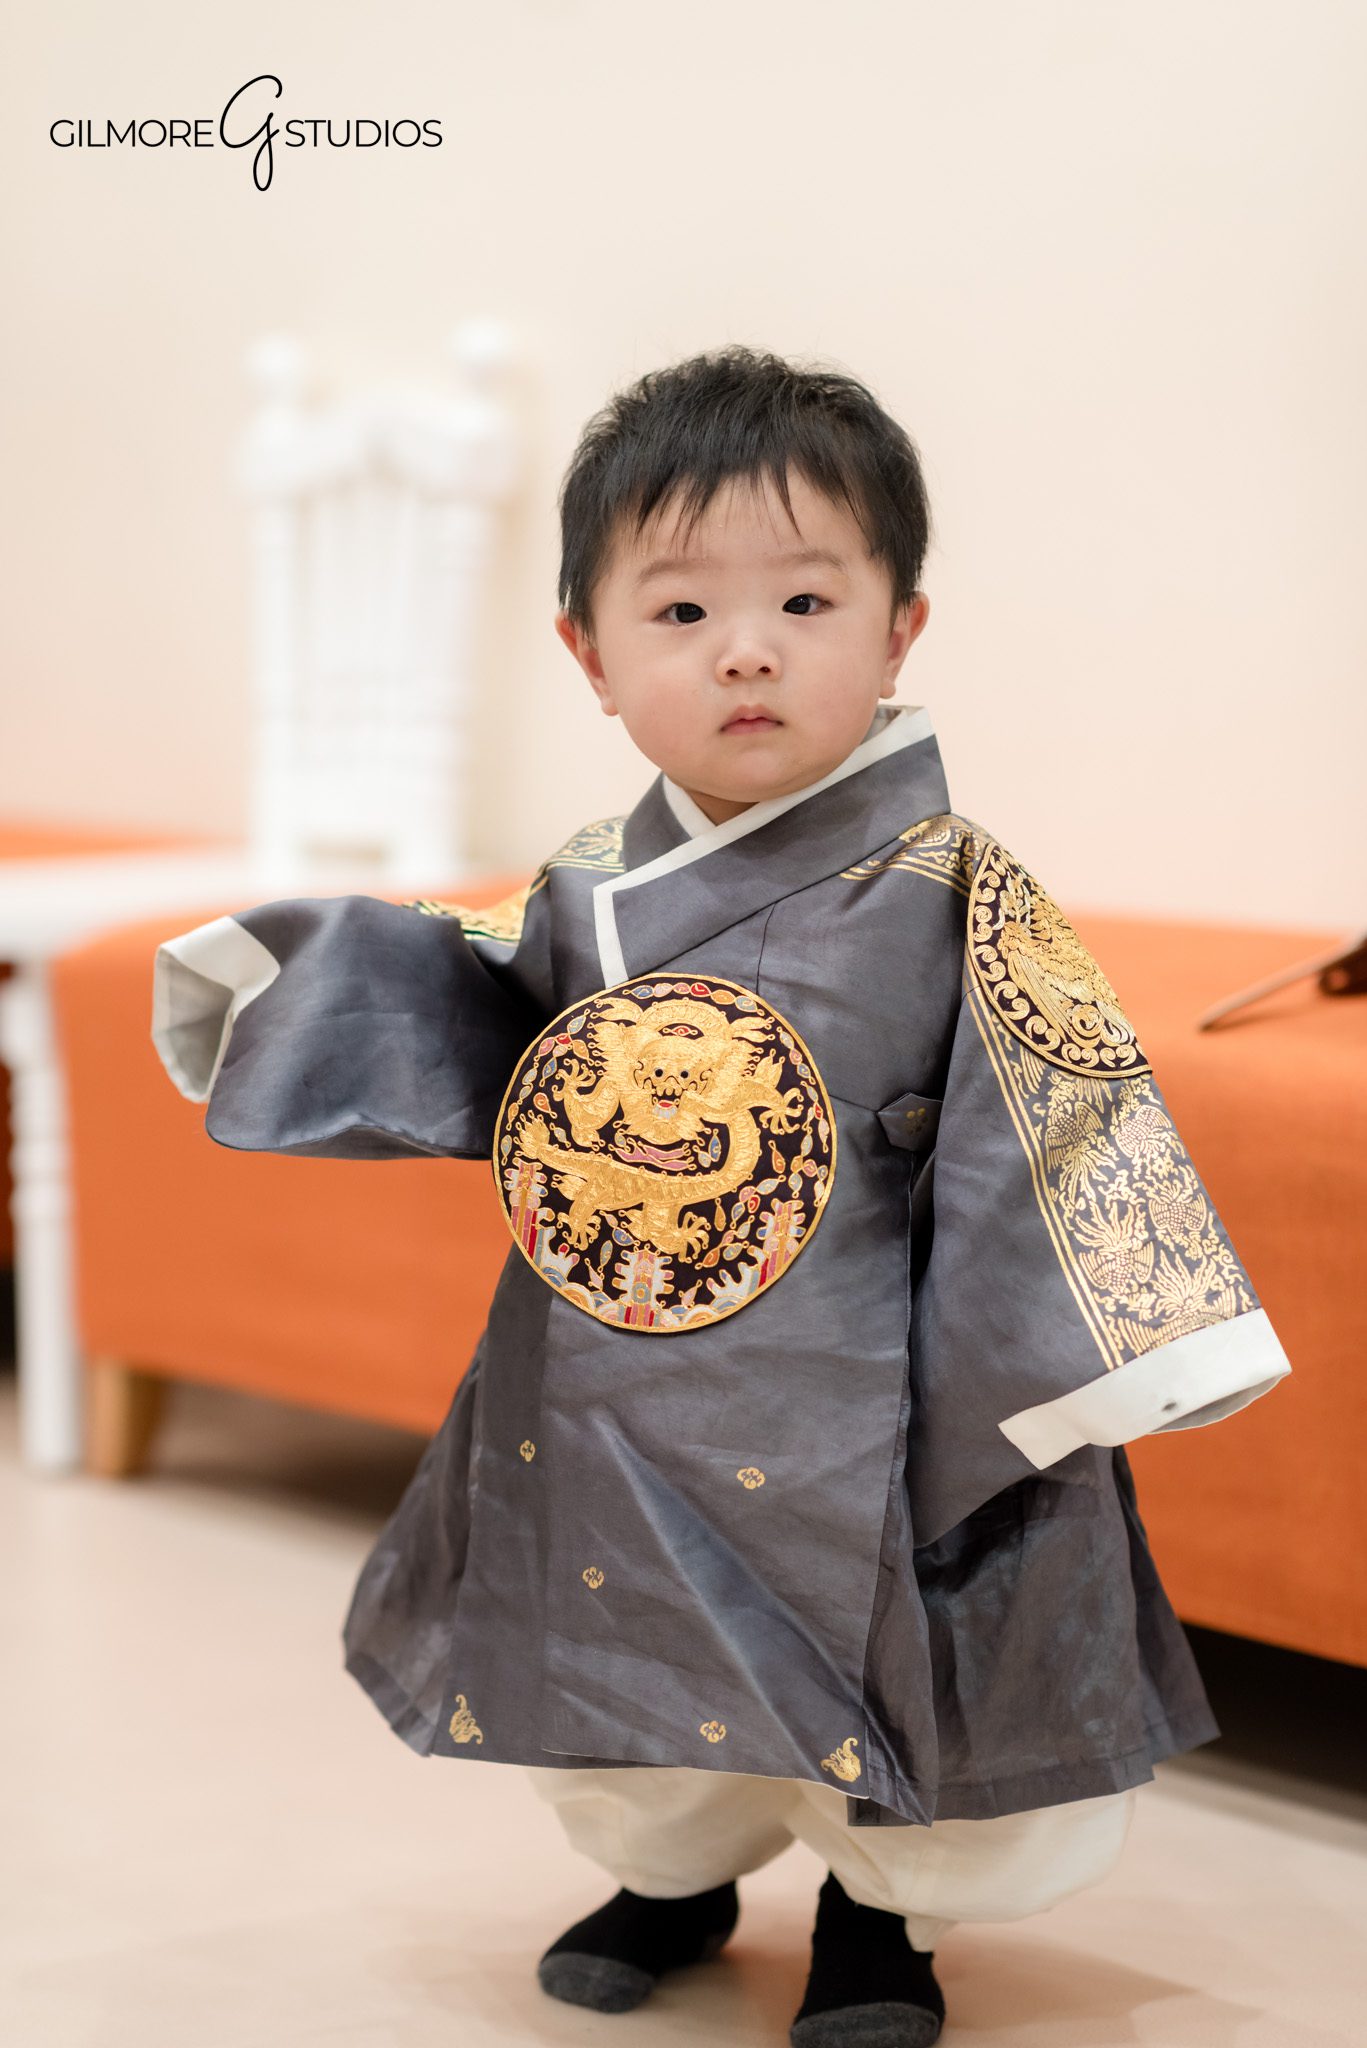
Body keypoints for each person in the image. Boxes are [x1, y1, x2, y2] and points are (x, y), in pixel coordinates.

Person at [152, 347, 1292, 2047]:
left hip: (857, 1382)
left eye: (806, 599)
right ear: (590, 658)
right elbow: (484, 1027)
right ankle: (669, 1875)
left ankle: (871, 1924)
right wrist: (313, 976)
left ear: (900, 627)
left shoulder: (952, 887)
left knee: (889, 1646)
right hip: (611, 1373)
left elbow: (1053, 1118)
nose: (746, 649)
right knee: (607, 1644)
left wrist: (1036, 1365)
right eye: (679, 613)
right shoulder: (588, 884)